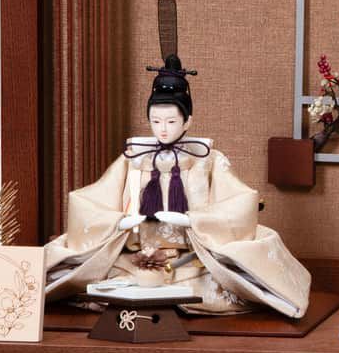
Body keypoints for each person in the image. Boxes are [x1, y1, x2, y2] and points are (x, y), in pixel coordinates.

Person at [44, 54, 311, 318]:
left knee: (214, 282)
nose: (162, 129)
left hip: (193, 257)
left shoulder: (206, 158)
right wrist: (119, 222)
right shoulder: (133, 157)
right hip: (134, 254)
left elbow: (239, 202)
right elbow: (90, 200)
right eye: (155, 121)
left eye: (171, 121)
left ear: (187, 121)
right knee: (107, 279)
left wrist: (192, 220)